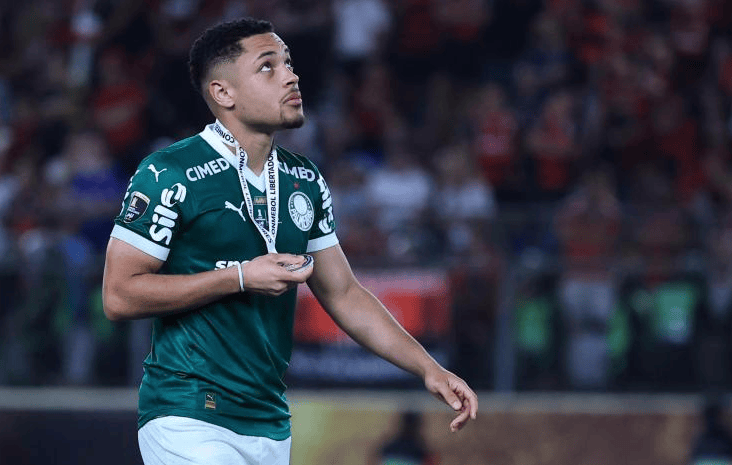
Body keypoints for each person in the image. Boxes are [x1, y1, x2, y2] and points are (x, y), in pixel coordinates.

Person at [102, 18, 478, 465]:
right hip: (187, 412)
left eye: (288, 63)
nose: (290, 76)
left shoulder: (303, 178)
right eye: (268, 66)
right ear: (223, 93)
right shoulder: (169, 172)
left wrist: (428, 368)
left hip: (269, 422)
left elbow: (344, 293)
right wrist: (240, 277)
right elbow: (118, 295)